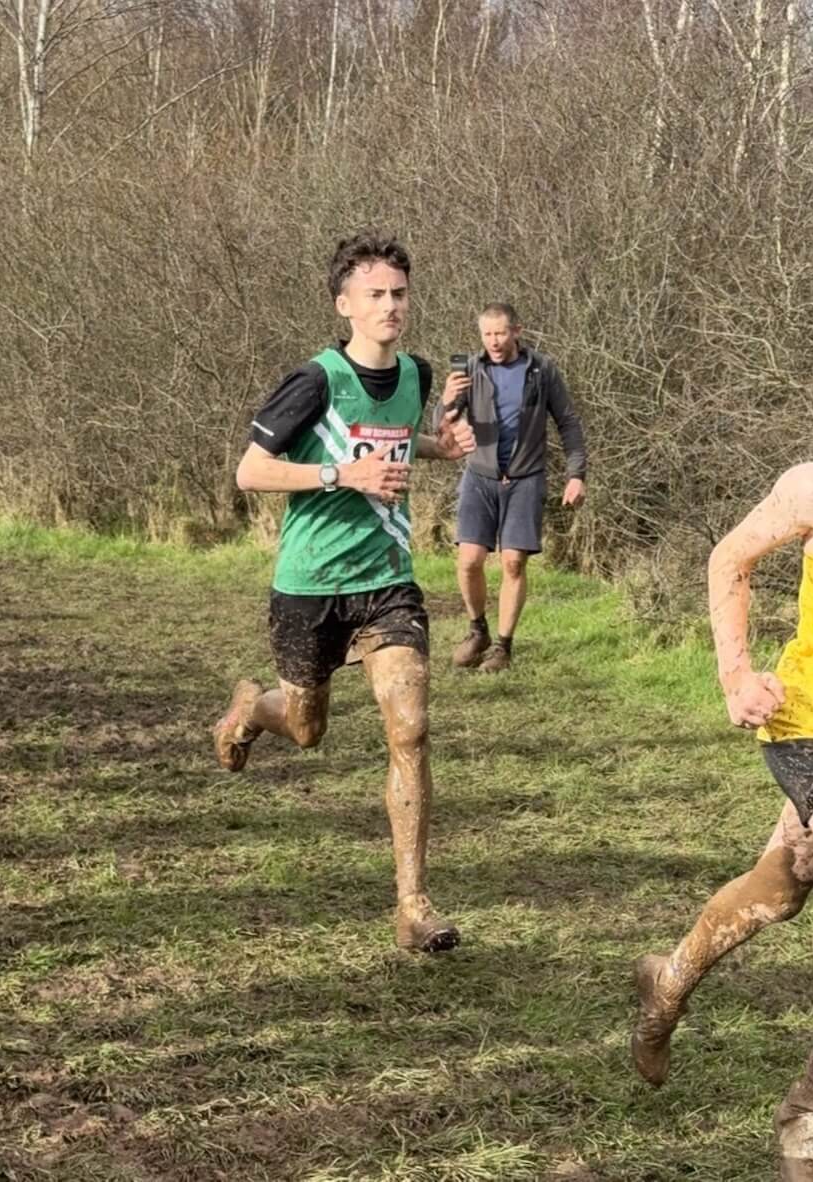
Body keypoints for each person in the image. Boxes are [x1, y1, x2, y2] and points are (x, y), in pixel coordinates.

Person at [631, 286, 813, 1180]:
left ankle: (666, 982)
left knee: (780, 889)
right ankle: (811, 1106)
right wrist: (735, 673)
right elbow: (728, 558)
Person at [213, 231, 475, 953]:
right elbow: (251, 472)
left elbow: (390, 440)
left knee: (411, 728)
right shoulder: (317, 382)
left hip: (387, 583)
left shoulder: (418, 376)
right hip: (309, 586)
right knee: (306, 727)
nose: (391, 306)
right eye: (376, 295)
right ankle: (249, 710)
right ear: (345, 305)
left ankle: (414, 906)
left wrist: (437, 449)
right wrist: (339, 476)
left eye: (399, 293)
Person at [436, 303, 586, 672]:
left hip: (525, 478)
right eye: (487, 335)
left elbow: (567, 422)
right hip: (479, 477)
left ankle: (503, 647)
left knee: (513, 563)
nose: (494, 342)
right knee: (469, 560)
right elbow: (441, 430)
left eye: (500, 333)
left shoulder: (541, 370)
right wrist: (445, 400)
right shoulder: (470, 369)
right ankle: (477, 630)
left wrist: (576, 473)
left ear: (516, 331)